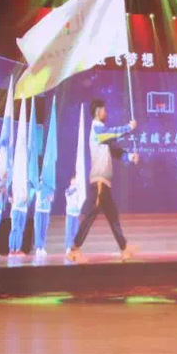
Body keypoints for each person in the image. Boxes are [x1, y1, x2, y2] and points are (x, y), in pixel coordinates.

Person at [66, 99, 140, 263]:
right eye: (104, 110)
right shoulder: (97, 128)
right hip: (99, 182)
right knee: (91, 215)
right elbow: (111, 134)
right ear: (98, 112)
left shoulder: (103, 133)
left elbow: (115, 151)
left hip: (105, 183)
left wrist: (130, 157)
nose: (106, 113)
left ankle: (124, 248)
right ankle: (74, 250)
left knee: (113, 216)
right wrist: (128, 128)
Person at [34, 188, 53, 257]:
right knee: (38, 229)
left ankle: (42, 247)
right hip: (39, 209)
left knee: (44, 229)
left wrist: (49, 197)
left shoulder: (50, 188)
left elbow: (51, 198)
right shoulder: (38, 185)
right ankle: (38, 247)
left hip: (46, 210)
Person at [64, 176, 81, 254]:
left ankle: (74, 246)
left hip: (76, 213)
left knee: (75, 231)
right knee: (69, 230)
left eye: (75, 181)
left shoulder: (78, 191)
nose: (74, 182)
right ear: (71, 181)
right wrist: (76, 188)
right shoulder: (68, 190)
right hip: (70, 213)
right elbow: (69, 193)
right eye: (73, 181)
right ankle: (68, 246)